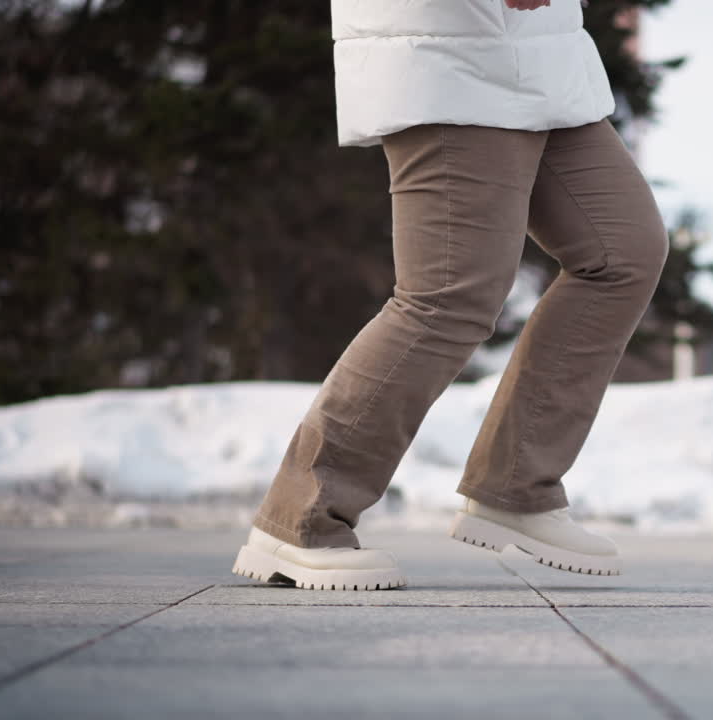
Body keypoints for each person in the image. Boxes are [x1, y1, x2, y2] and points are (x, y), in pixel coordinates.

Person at [231, 0, 669, 590]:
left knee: (624, 253)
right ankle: (299, 517)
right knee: (447, 296)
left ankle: (518, 487)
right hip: (444, 53)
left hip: (546, 57)